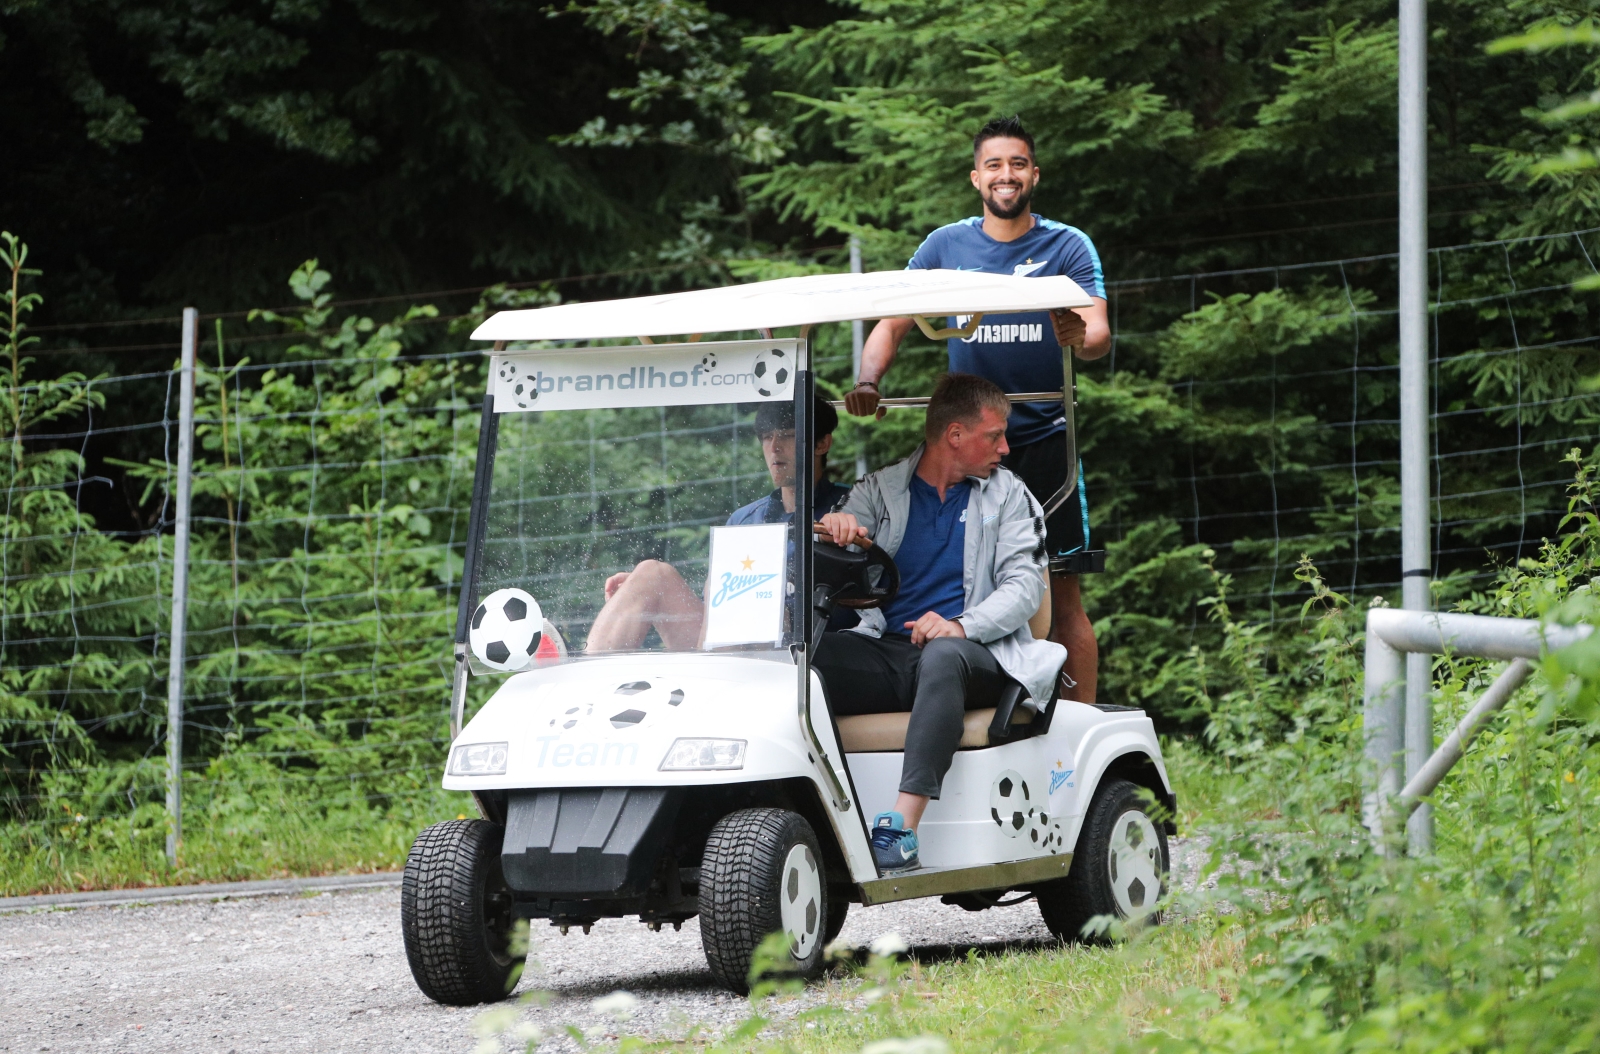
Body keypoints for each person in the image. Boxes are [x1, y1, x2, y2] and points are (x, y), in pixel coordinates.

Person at [843, 115, 1109, 703]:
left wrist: (1074, 332)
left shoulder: (1068, 245)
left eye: (1017, 164)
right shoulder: (944, 246)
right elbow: (891, 322)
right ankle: (963, 696)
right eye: (994, 165)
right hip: (966, 449)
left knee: (1061, 593)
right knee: (961, 578)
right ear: (976, 178)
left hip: (1043, 442)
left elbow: (1098, 336)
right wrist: (867, 380)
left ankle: (1077, 727)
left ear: (1034, 173)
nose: (1006, 175)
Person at [814, 374, 1065, 873]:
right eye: (994, 436)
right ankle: (807, 816)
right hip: (889, 652)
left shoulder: (1011, 496)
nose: (1006, 447)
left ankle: (901, 830)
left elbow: (1025, 588)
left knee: (943, 654)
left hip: (981, 654)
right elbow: (819, 556)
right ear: (955, 435)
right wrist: (836, 531)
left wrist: (962, 624)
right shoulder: (878, 490)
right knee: (807, 656)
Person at [585, 397, 849, 652]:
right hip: (731, 647)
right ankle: (585, 683)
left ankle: (705, 684)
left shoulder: (854, 508)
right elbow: (718, 608)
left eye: (788, 435)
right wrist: (636, 593)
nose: (774, 447)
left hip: (809, 653)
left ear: (822, 443)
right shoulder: (744, 520)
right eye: (767, 437)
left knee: (753, 608)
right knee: (650, 574)